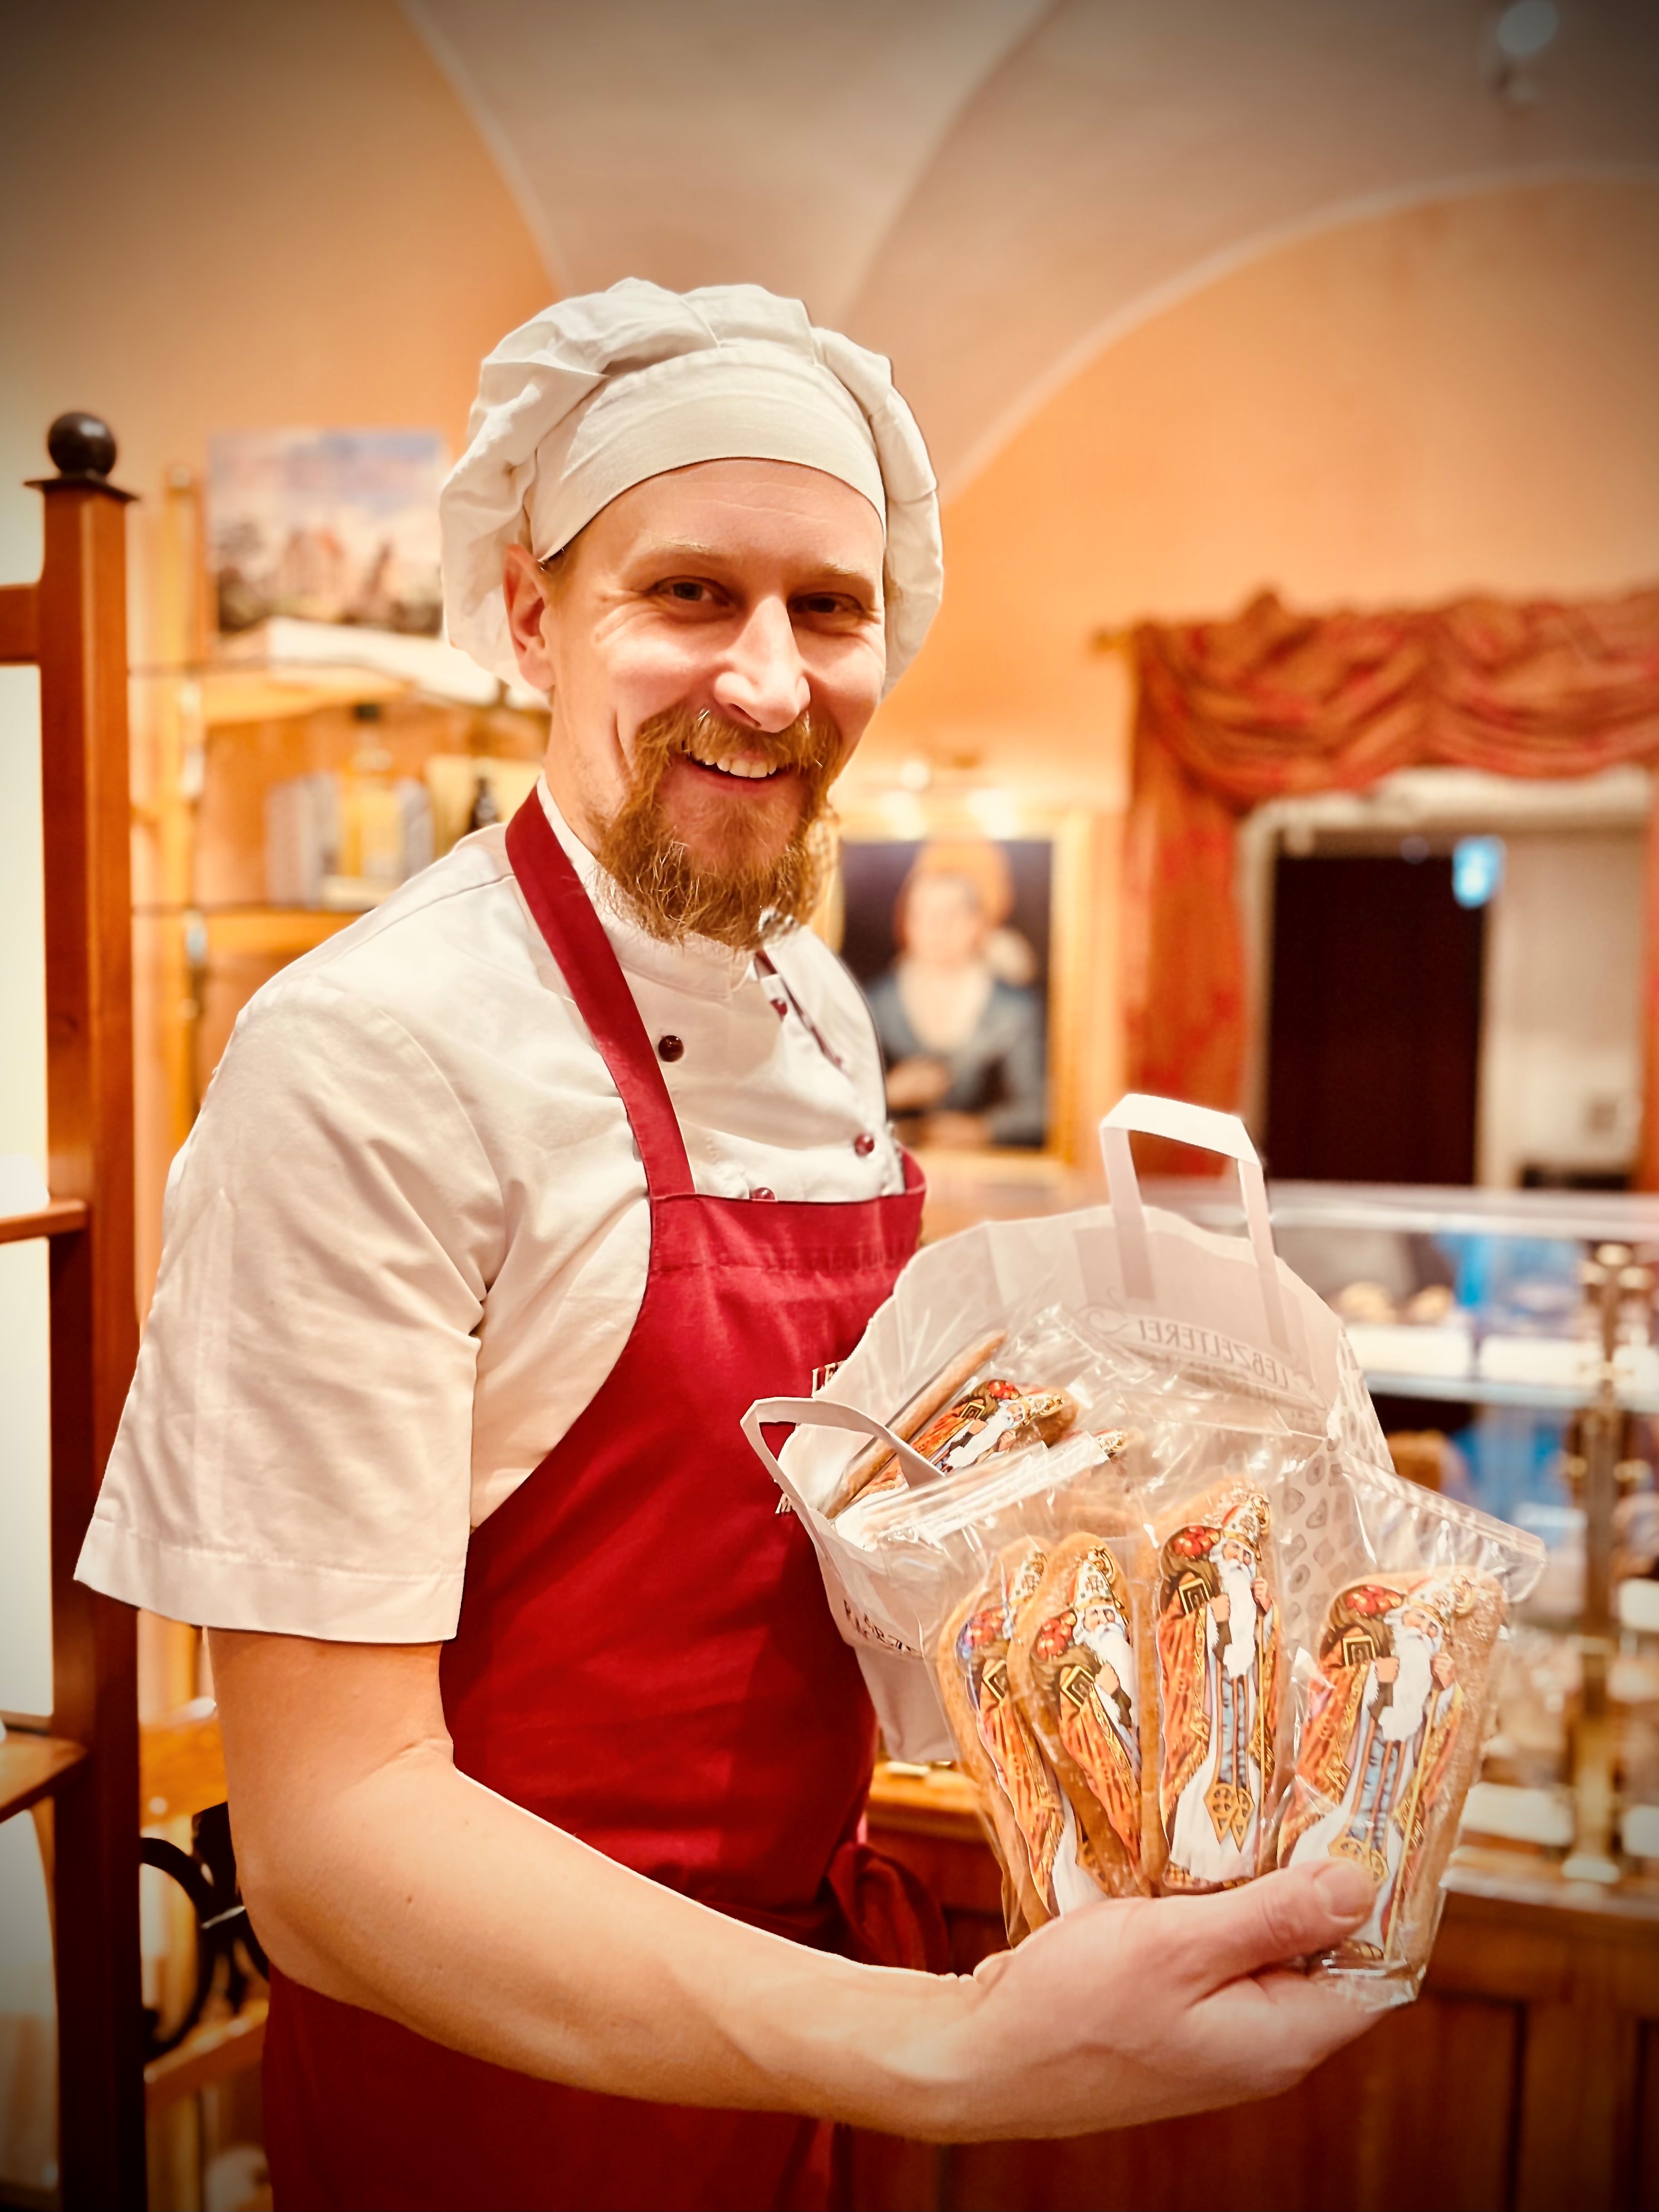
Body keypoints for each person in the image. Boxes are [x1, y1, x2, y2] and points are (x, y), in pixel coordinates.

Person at [79, 281, 1377, 2212]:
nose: (771, 682)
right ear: (529, 610)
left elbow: (811, 1533)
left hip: (792, 2037)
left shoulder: (819, 1007)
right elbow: (335, 1849)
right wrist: (949, 2053)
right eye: (687, 593)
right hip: (501, 2103)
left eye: (829, 607)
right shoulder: (367, 1057)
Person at [865, 843, 1047, 1148]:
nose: (935, 928)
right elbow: (830, 1103)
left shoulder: (1015, 1009)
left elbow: (1045, 1109)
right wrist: (889, 1092)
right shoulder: (876, 1003)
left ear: (977, 922)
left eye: (951, 915)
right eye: (922, 915)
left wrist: (986, 1129)